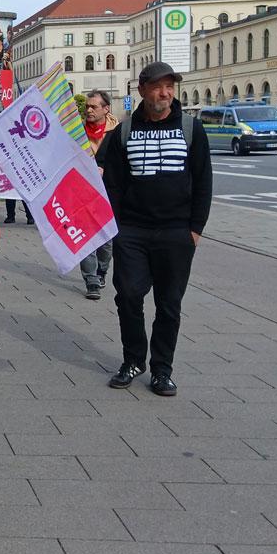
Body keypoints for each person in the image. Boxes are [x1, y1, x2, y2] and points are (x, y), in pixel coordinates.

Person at [102, 62, 211, 397]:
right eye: (158, 87)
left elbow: (204, 180)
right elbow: (113, 184)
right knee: (129, 296)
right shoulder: (124, 131)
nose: (165, 94)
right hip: (132, 231)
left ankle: (163, 370)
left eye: (170, 87)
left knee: (168, 304)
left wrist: (195, 230)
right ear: (143, 90)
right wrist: (116, 229)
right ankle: (134, 359)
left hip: (177, 233)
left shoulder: (191, 129)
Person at [80, 90, 119, 300]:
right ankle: (91, 279)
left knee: (106, 240)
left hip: (108, 192)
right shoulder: (77, 132)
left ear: (106, 109)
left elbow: (124, 163)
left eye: (94, 107)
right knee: (85, 236)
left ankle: (102, 271)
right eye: (87, 106)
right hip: (82, 192)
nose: (89, 110)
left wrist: (107, 169)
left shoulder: (116, 133)